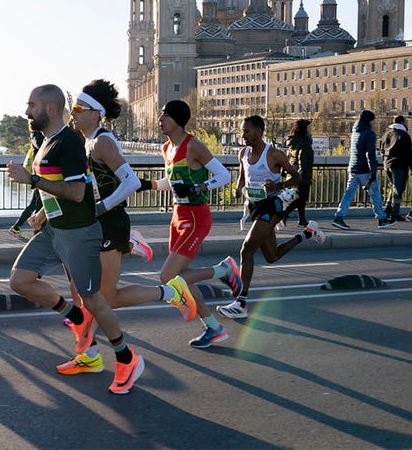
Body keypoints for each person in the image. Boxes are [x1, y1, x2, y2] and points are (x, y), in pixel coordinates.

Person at [6, 84, 145, 395]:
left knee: (96, 299)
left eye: (31, 104)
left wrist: (31, 179)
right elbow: (56, 190)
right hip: (54, 229)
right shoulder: (46, 142)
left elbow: (76, 192)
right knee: (20, 280)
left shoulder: (68, 143)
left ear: (50, 108)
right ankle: (76, 317)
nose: (26, 110)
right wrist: (42, 212)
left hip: (79, 233)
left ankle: (127, 359)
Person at [57, 80, 196, 374]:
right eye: (73, 108)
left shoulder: (101, 142)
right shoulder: (86, 140)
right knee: (81, 293)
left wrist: (101, 207)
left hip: (109, 224)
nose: (73, 114)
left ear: (96, 114)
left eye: (79, 109)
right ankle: (88, 352)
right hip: (91, 225)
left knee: (107, 298)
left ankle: (170, 293)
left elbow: (130, 181)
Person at [135, 100, 239, 349]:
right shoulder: (166, 148)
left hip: (196, 216)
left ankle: (225, 270)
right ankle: (214, 329)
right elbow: (171, 181)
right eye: (161, 116)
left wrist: (201, 186)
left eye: (165, 116)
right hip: (178, 215)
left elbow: (224, 176)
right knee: (184, 280)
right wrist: (147, 184)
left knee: (167, 276)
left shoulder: (194, 145)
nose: (160, 120)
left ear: (178, 120)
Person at [217, 115, 325, 319]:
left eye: (246, 131)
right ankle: (307, 233)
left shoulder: (274, 155)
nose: (243, 135)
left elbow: (298, 177)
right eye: (242, 131)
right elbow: (242, 176)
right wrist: (238, 188)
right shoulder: (243, 153)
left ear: (259, 131)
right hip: (255, 205)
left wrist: (278, 186)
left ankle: (241, 302)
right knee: (272, 256)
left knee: (246, 250)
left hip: (273, 205)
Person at [332, 110, 395, 230]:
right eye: (373, 120)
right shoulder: (369, 134)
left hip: (353, 167)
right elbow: (370, 154)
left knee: (348, 193)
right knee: (375, 194)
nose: (374, 122)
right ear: (369, 120)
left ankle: (339, 217)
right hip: (365, 169)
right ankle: (381, 219)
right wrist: (373, 171)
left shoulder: (355, 131)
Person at [9, 131, 44, 242]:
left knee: (36, 204)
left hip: (39, 175)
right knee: (37, 204)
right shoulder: (39, 136)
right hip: (40, 175)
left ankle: (18, 228)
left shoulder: (35, 135)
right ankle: (35, 232)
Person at [380, 115, 412, 222]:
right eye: (406, 121)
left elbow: (381, 150)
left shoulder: (386, 134)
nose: (407, 123)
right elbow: (408, 154)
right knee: (398, 189)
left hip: (387, 164)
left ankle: (388, 209)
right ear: (402, 122)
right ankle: (395, 213)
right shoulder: (404, 135)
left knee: (394, 187)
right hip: (399, 165)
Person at [281, 119, 314, 226]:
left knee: (300, 198)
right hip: (301, 174)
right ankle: (285, 214)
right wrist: (302, 175)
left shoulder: (294, 141)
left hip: (293, 173)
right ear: (305, 128)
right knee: (303, 197)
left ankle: (302, 219)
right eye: (309, 127)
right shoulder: (305, 142)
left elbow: (288, 158)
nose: (311, 129)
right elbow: (303, 161)